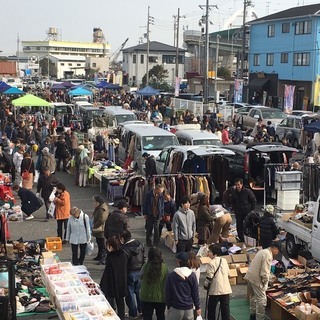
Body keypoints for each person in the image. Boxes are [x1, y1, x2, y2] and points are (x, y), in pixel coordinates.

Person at [245, 241, 281, 320]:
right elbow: (264, 272)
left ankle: (253, 316)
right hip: (257, 279)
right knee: (262, 299)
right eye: (277, 251)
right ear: (274, 248)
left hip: (250, 276)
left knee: (254, 297)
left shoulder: (263, 251)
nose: (277, 253)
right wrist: (265, 284)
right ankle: (260, 318)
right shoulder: (268, 255)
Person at [165, 252, 201, 320]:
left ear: (178, 261)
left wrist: (168, 305)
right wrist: (197, 307)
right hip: (189, 308)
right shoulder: (192, 275)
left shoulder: (172, 275)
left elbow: (168, 292)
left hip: (175, 307)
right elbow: (195, 292)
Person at [100, 236, 128, 320]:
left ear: (111, 246)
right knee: (120, 302)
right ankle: (121, 317)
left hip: (112, 283)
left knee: (109, 302)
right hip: (122, 281)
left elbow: (108, 272)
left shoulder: (110, 257)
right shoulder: (123, 254)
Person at [120, 230, 146, 319]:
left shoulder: (124, 249)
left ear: (122, 238)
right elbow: (144, 258)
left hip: (130, 272)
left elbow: (123, 264)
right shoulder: (140, 244)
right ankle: (142, 310)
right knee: (139, 293)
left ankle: (133, 313)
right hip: (139, 271)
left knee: (130, 295)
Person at [140, 247, 169, 320]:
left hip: (146, 296)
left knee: (146, 317)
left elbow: (140, 277)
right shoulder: (165, 267)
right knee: (161, 316)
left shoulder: (145, 266)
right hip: (161, 297)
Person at [206, 244, 232, 320]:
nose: (208, 253)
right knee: (225, 309)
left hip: (215, 289)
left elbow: (209, 277)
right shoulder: (224, 260)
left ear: (214, 253)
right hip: (225, 288)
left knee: (211, 309)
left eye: (210, 252)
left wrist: (205, 286)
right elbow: (228, 273)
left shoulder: (211, 263)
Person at [91, 195, 109, 262]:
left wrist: (94, 225)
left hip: (101, 229)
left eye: (94, 202)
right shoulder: (99, 208)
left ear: (98, 202)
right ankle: (99, 255)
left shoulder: (102, 209)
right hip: (99, 228)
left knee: (102, 244)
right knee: (99, 243)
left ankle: (102, 257)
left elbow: (102, 220)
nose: (93, 203)